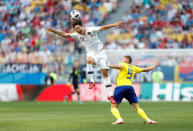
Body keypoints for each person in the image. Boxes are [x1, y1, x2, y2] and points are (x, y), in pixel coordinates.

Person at [47, 20, 123, 104]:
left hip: (101, 54)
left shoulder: (91, 30)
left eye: (78, 28)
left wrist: (114, 24)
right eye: (76, 29)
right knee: (88, 60)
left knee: (105, 73)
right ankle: (91, 81)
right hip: (91, 54)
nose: (78, 30)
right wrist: (53, 30)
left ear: (82, 26)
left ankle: (110, 95)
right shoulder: (77, 35)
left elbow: (103, 27)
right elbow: (65, 34)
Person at [108, 56, 160, 125]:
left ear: (127, 60)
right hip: (130, 87)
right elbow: (146, 69)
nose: (122, 59)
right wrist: (155, 65)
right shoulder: (134, 68)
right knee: (136, 107)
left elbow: (119, 66)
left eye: (123, 58)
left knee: (113, 107)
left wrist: (109, 66)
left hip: (121, 87)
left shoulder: (123, 64)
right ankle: (148, 119)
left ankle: (119, 119)